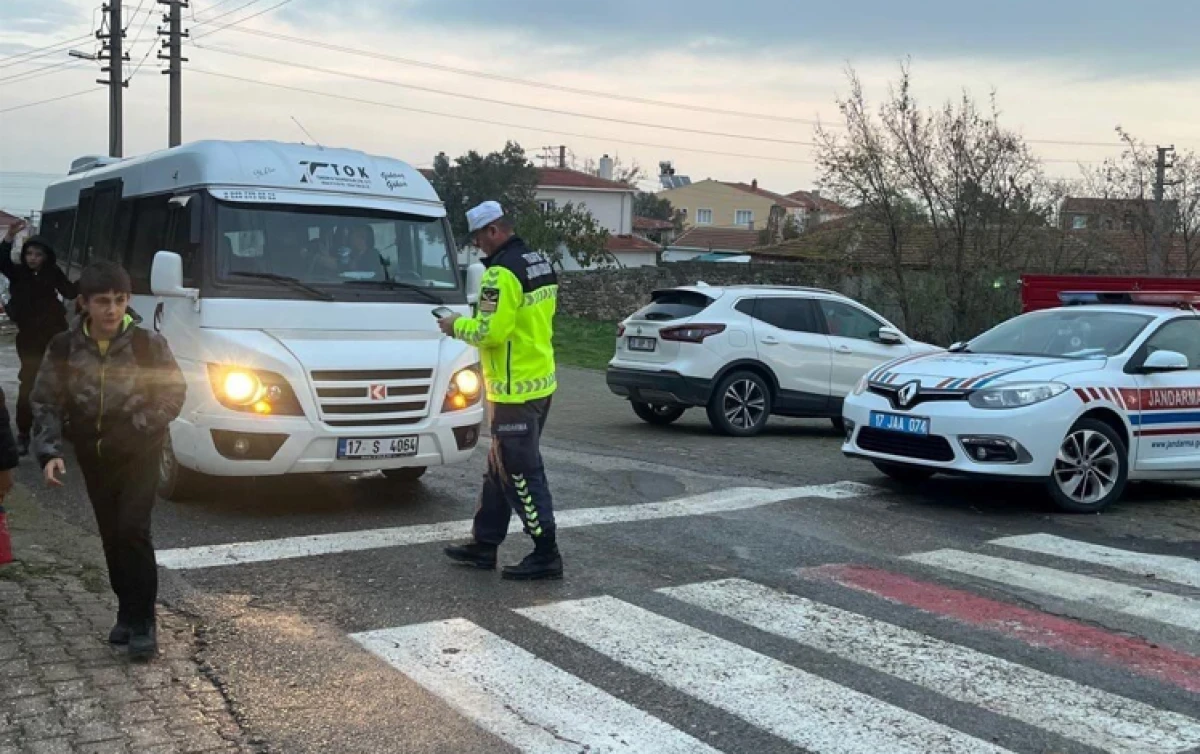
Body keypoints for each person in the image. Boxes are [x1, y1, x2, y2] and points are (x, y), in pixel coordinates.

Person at [32, 261, 187, 660]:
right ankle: (125, 610)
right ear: (84, 303)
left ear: (128, 300)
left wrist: (138, 427)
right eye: (103, 302)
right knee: (112, 536)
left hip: (139, 451)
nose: (112, 310)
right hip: (93, 454)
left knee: (133, 530)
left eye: (119, 301)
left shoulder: (146, 344)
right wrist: (49, 452)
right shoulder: (64, 346)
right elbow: (46, 399)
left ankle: (144, 623)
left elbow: (173, 394)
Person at [439, 201, 561, 580]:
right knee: (499, 469)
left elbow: (491, 332)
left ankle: (546, 553)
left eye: (479, 238)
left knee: (520, 472)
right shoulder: (539, 263)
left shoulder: (499, 275)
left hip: (513, 391)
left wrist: (456, 325)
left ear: (494, 231)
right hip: (540, 382)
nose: (478, 247)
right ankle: (484, 543)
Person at [0, 220, 76, 456]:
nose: (33, 258)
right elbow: (2, 261)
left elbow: (70, 291)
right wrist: (9, 237)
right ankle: (23, 434)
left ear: (46, 256)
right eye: (29, 253)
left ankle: (55, 431)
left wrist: (96, 280)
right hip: (29, 338)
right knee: (29, 384)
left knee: (58, 383)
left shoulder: (53, 273)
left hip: (54, 336)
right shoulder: (18, 272)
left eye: (38, 254)